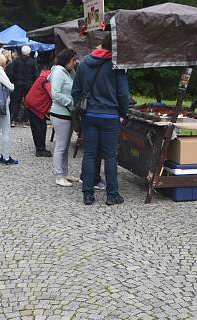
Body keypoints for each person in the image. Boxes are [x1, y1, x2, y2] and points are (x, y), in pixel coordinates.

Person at [71, 34, 129, 206]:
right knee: (110, 156)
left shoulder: (83, 64)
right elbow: (123, 94)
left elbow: (75, 91)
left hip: (90, 115)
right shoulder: (116, 65)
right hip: (110, 116)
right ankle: (112, 195)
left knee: (89, 154)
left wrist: (81, 109)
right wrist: (123, 113)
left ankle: (88, 194)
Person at [49, 48, 79, 187]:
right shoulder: (59, 73)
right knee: (60, 146)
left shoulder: (67, 72)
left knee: (65, 146)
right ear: (67, 60)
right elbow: (55, 94)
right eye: (73, 60)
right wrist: (70, 102)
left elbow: (75, 84)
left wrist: (72, 70)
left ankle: (65, 173)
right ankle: (58, 175)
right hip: (60, 113)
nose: (75, 62)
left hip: (67, 114)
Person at [24, 64, 53, 157]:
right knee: (41, 127)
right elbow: (53, 94)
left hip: (31, 103)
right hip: (36, 105)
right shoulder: (47, 80)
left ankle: (39, 148)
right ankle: (40, 149)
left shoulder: (44, 77)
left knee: (36, 127)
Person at [9, 45, 38, 127]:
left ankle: (13, 120)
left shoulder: (16, 61)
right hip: (29, 85)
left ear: (21, 52)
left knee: (16, 102)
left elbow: (11, 73)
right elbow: (36, 74)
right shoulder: (32, 62)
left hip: (18, 84)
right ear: (29, 52)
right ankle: (25, 121)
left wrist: (13, 81)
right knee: (27, 103)